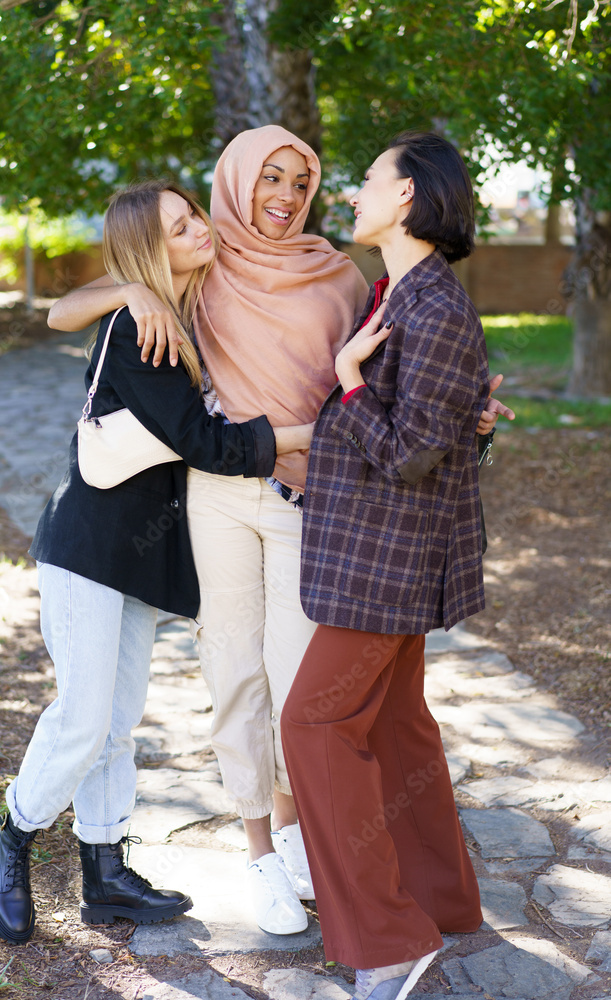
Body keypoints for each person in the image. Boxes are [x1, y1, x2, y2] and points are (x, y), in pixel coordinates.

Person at [47, 126, 511, 937]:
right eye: (270, 177)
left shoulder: (342, 274)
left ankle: (298, 838)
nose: (287, 195)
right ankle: (258, 852)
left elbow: (399, 390)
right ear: (235, 182)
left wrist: (469, 423)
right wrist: (137, 293)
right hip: (218, 494)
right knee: (233, 672)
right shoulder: (202, 260)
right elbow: (64, 308)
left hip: (314, 499)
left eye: (302, 179)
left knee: (301, 687)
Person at [0, 180, 313, 945]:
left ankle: (104, 871)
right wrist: (312, 434)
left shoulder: (185, 306)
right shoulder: (142, 329)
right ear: (149, 249)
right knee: (84, 715)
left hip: (138, 558)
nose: (197, 227)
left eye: (193, 214)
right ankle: (12, 834)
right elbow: (209, 447)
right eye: (176, 227)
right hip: (88, 548)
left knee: (117, 722)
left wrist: (139, 283)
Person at [281, 131, 491, 1000]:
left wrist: (349, 380)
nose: (353, 193)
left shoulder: (432, 305)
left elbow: (409, 454)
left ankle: (386, 938)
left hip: (389, 564)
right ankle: (438, 903)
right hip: (380, 554)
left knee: (315, 727)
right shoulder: (395, 293)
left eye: (367, 180)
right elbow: (448, 433)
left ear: (407, 195)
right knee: (397, 726)